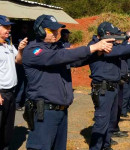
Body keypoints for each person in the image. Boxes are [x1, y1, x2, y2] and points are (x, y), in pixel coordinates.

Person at [22, 14, 113, 150]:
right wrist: (91, 48)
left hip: (61, 111)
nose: (56, 33)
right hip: (44, 113)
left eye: (56, 29)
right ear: (40, 30)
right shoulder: (33, 50)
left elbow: (75, 60)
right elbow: (59, 57)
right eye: (51, 30)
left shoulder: (56, 49)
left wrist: (97, 53)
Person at [88, 22, 130, 150]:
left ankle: (106, 145)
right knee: (101, 121)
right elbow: (118, 50)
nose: (117, 38)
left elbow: (124, 52)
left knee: (109, 120)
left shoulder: (109, 46)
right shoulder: (96, 46)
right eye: (115, 35)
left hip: (112, 87)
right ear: (106, 34)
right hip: (102, 88)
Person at [0, 15, 28, 150]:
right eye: (5, 27)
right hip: (1, 93)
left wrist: (21, 49)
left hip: (11, 92)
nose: (9, 29)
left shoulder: (9, 44)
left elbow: (18, 61)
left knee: (8, 127)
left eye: (9, 27)